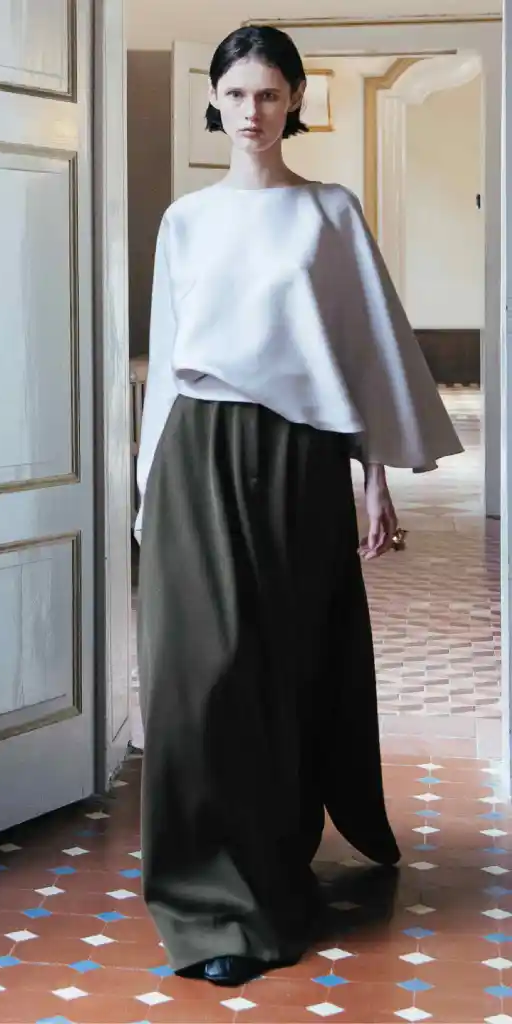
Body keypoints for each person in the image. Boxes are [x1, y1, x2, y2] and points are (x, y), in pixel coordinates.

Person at [135, 25, 462, 988]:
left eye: (270, 94)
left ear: (295, 102)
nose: (253, 112)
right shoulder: (186, 220)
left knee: (282, 666)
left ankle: (273, 875)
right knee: (201, 677)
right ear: (215, 101)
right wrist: (150, 487)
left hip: (299, 461)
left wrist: (375, 476)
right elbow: (167, 356)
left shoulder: (329, 212)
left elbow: (365, 351)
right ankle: (205, 896)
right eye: (236, 94)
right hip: (198, 453)